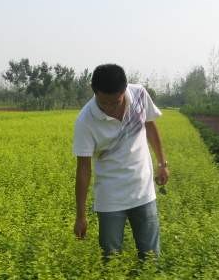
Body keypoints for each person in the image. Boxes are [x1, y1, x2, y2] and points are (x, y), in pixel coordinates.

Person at [72, 63, 169, 261]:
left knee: (151, 257)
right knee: (110, 259)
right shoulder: (85, 120)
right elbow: (83, 168)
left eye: (115, 102)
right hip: (110, 198)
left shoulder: (140, 94)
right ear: (95, 93)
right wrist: (81, 216)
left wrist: (162, 164)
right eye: (104, 103)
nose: (109, 108)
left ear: (125, 90)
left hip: (143, 192)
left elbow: (150, 125)